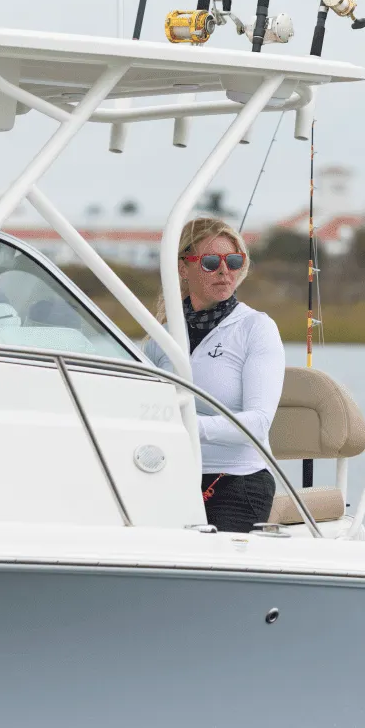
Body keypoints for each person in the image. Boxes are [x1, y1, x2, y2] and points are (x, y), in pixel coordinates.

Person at [144, 217, 284, 533]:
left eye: (233, 261)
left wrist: (189, 426)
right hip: (168, 473)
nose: (224, 271)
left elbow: (259, 423)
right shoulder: (162, 337)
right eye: (210, 262)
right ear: (183, 268)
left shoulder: (256, 328)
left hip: (236, 480)